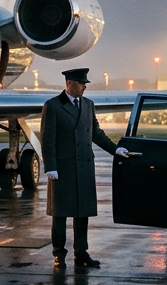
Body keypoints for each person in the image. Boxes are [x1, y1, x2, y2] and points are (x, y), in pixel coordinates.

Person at [40, 68, 117, 268]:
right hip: (62, 169)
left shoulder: (88, 105)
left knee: (82, 213)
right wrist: (51, 166)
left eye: (85, 84)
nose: (84, 87)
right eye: (81, 83)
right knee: (60, 214)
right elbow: (48, 139)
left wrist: (116, 150)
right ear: (69, 83)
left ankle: (81, 253)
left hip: (83, 167)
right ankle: (59, 254)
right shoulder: (53, 106)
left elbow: (96, 134)